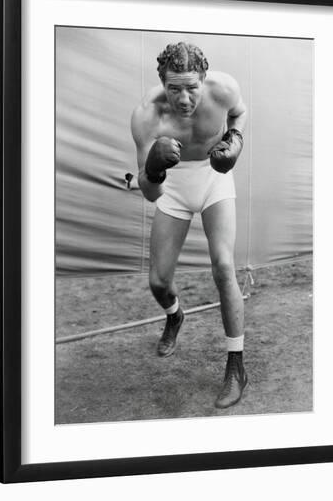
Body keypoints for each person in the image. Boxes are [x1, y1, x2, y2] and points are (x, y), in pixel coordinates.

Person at [130, 42, 248, 409]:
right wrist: (152, 168)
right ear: (162, 82)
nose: (184, 98)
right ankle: (174, 316)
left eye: (191, 87)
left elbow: (240, 114)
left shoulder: (224, 88)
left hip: (214, 178)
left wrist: (235, 139)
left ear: (204, 78)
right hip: (173, 184)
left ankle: (236, 366)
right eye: (174, 88)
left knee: (224, 267)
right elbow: (151, 193)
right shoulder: (147, 116)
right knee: (158, 282)